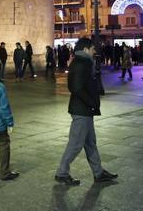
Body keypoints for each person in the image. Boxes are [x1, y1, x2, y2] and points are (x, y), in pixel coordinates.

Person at [55, 38, 118, 185]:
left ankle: (98, 172)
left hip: (85, 109)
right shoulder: (82, 63)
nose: (94, 51)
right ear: (85, 49)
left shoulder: (83, 62)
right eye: (92, 48)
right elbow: (75, 87)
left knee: (90, 142)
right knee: (76, 144)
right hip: (81, 109)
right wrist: (90, 103)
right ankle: (62, 172)